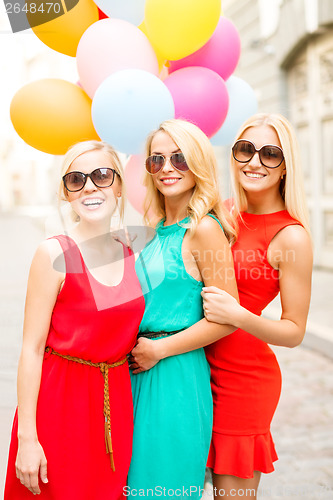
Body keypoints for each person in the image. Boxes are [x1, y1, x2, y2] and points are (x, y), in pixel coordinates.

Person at [132, 113, 313, 499]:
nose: (254, 161)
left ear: (285, 167)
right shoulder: (220, 212)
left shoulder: (291, 236)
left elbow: (295, 330)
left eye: (270, 154)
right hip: (190, 369)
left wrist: (239, 316)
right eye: (245, 150)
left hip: (241, 379)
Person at [4, 140, 145, 499]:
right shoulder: (54, 253)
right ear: (66, 193)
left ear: (118, 185)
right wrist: (28, 438)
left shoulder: (132, 252)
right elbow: (32, 350)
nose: (90, 187)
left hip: (114, 404)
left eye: (101, 175)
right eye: (76, 180)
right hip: (59, 406)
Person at [127, 119, 239, 498]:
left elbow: (227, 319)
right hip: (136, 374)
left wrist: (159, 349)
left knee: (161, 489)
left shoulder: (203, 230)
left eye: (179, 158)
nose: (167, 168)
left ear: (198, 163)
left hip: (174, 375)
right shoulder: (154, 227)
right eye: (156, 160)